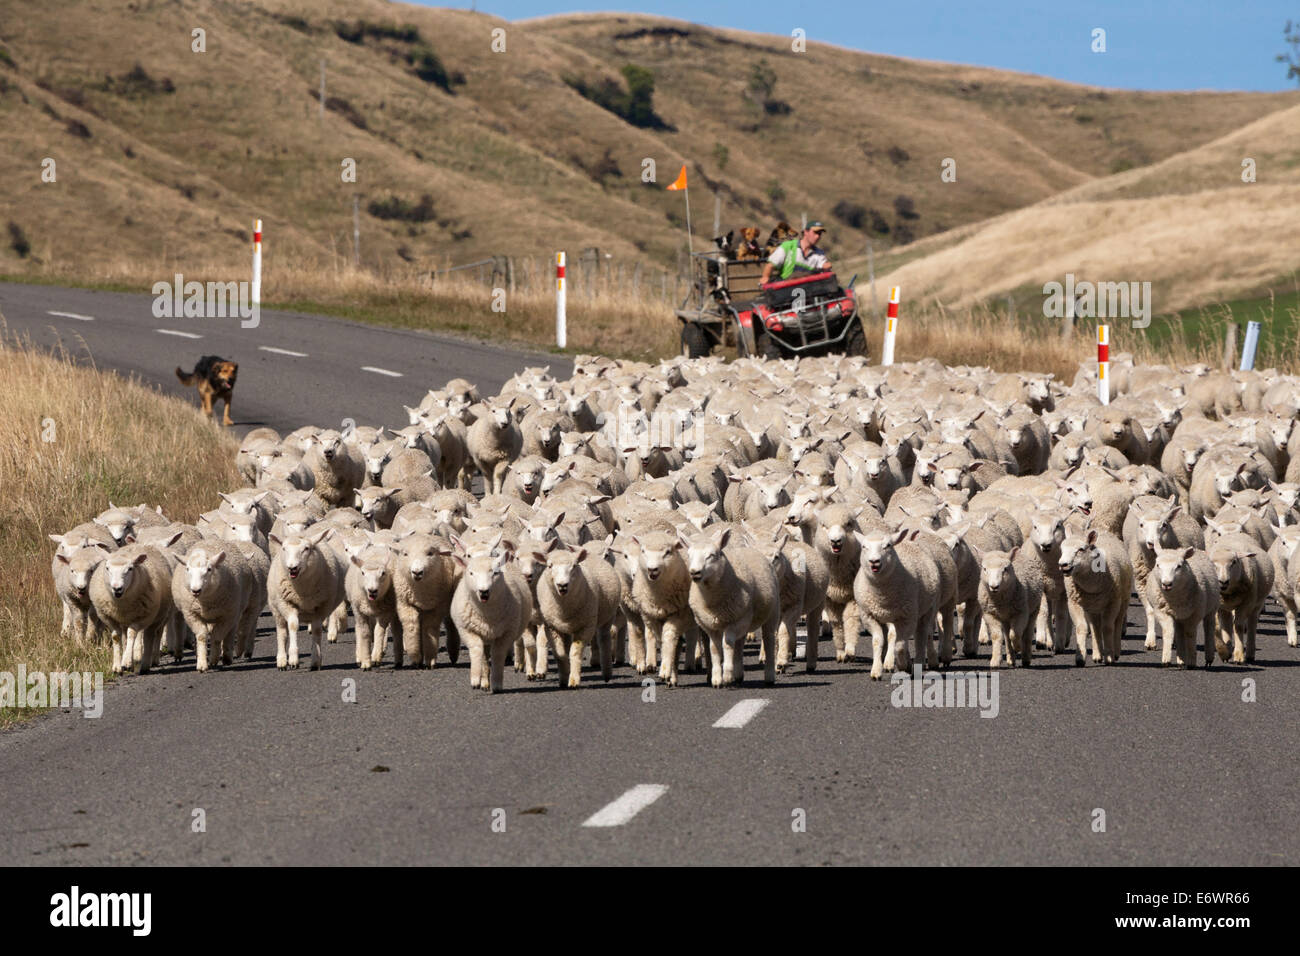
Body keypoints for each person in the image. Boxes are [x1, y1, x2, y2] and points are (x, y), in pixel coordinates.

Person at [761, 221, 831, 285]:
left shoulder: (819, 254)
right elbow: (770, 265)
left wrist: (826, 267)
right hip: (785, 288)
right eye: (815, 232)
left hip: (807, 291)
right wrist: (765, 277)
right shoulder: (788, 246)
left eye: (820, 234)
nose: (818, 236)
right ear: (806, 232)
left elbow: (824, 267)